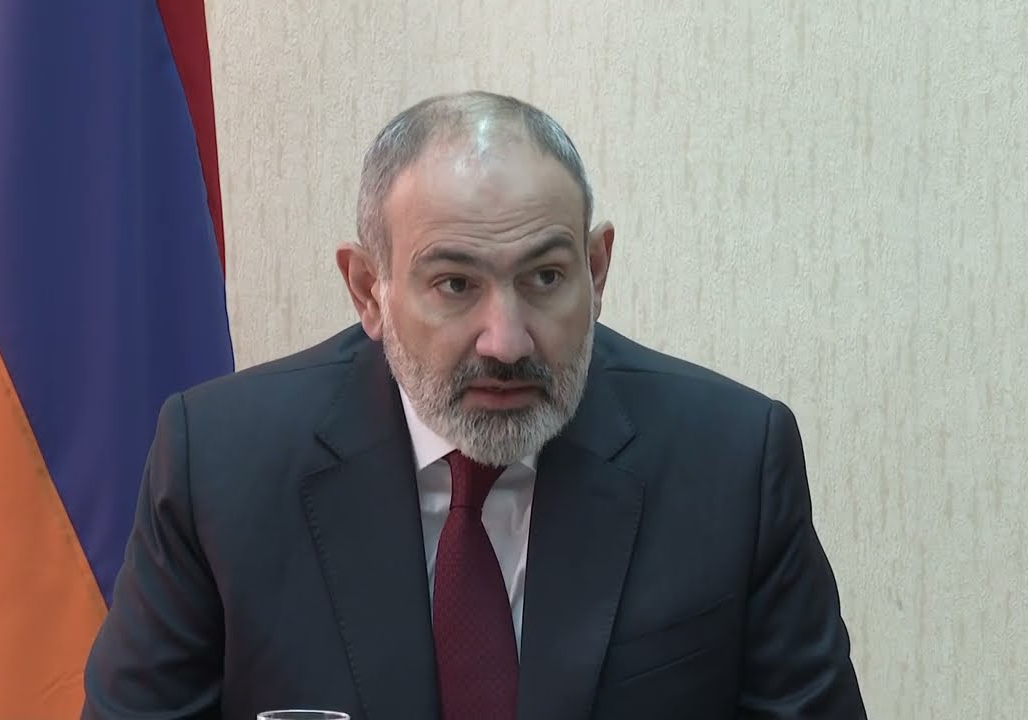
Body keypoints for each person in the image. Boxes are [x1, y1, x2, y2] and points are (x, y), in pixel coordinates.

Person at [81, 90, 867, 719]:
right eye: (455, 284)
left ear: (596, 270)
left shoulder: (730, 461)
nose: (507, 339)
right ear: (369, 290)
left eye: (546, 278)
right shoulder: (221, 465)